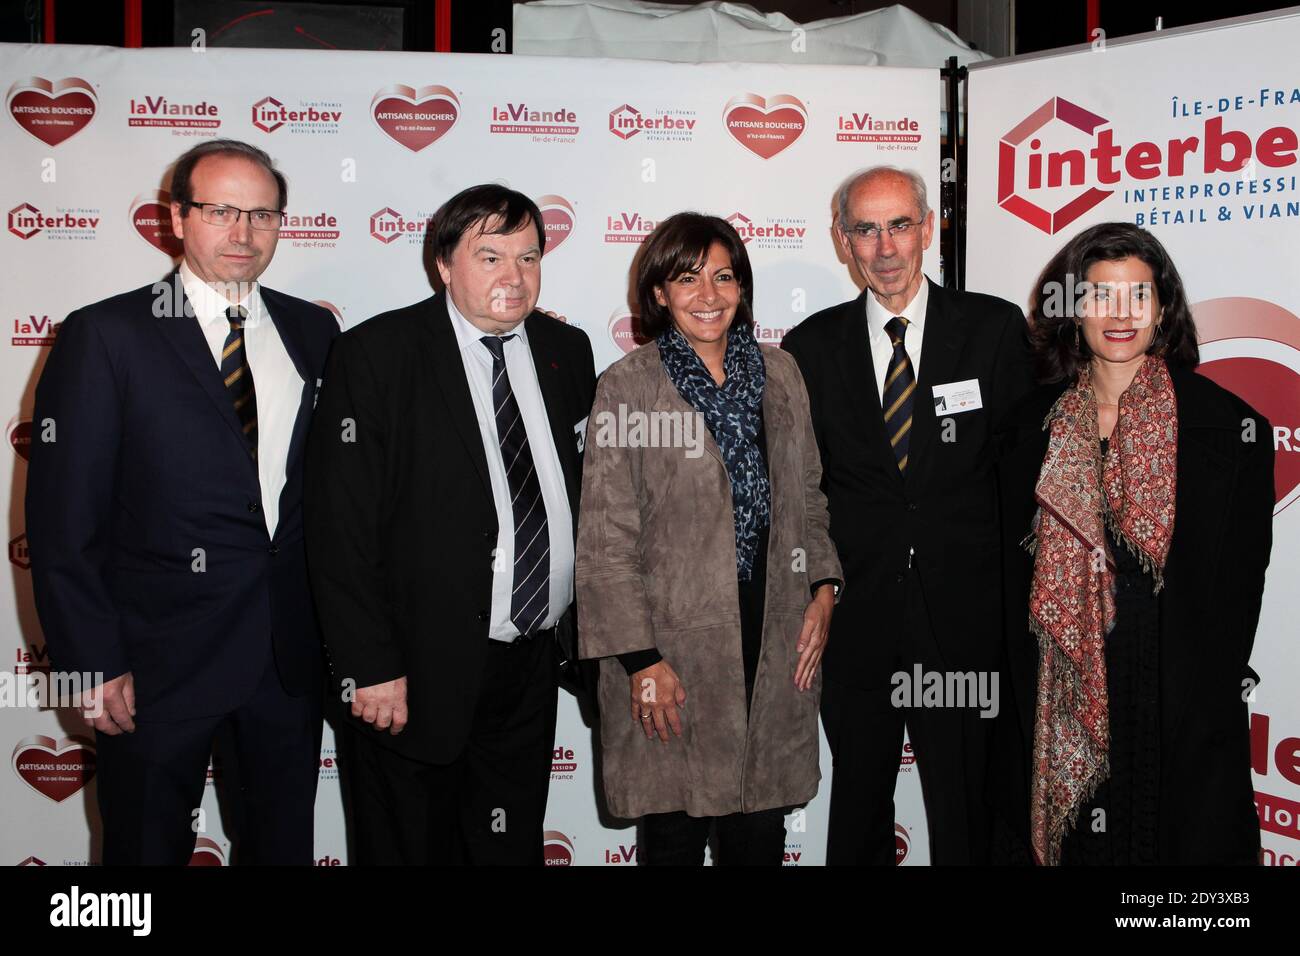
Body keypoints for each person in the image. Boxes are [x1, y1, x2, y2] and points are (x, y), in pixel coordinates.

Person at [25, 139, 338, 864]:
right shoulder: (105, 334)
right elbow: (64, 521)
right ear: (176, 217)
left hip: (284, 658)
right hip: (150, 662)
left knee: (281, 847)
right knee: (142, 854)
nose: (243, 231)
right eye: (221, 210)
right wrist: (90, 663)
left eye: (262, 213)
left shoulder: (312, 330)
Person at [305, 184, 596, 865]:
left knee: (507, 849)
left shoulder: (566, 349)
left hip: (529, 665)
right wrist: (369, 667)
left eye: (528, 257)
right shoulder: (378, 354)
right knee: (407, 851)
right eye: (489, 255)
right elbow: (339, 529)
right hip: (409, 674)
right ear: (443, 262)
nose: (513, 276)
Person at [990, 222, 1273, 865]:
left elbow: (1237, 594)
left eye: (1137, 295)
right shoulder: (1022, 433)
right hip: (1057, 699)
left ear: (1163, 308)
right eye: (1099, 296)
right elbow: (1007, 591)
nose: (1119, 315)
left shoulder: (1231, 432)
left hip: (1176, 711)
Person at [780, 165, 1035, 865]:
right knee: (859, 802)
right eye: (866, 229)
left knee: (966, 808)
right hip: (856, 618)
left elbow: (1023, 478)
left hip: (967, 618)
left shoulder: (992, 330)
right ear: (843, 240)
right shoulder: (809, 348)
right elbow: (803, 490)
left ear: (929, 229)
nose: (885, 246)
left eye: (900, 225)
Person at [576, 212, 842, 866]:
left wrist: (824, 588)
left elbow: (808, 492)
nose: (709, 294)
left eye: (724, 276)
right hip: (671, 645)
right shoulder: (628, 386)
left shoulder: (781, 374)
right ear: (659, 292)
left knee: (758, 832)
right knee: (672, 832)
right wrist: (640, 662)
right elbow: (606, 533)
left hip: (773, 634)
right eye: (688, 277)